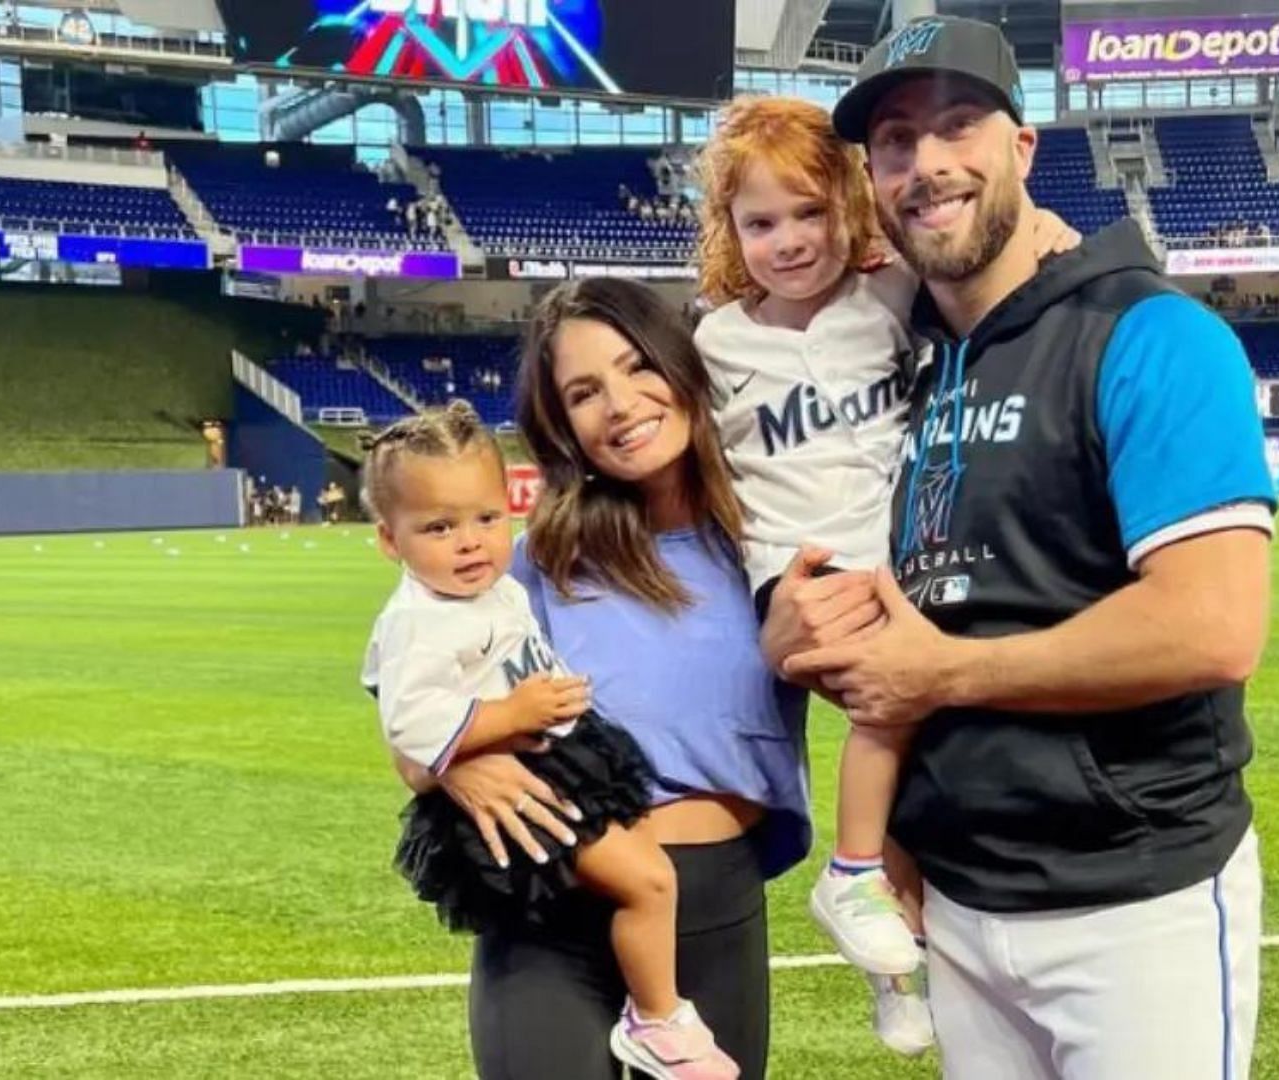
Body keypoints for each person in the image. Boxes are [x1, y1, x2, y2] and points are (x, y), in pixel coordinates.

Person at [767, 16, 1274, 1078]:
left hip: (1137, 900)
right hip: (955, 898)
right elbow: (890, 603)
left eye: (959, 125)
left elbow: (1212, 626)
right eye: (896, 142)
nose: (927, 165)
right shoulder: (904, 363)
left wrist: (942, 675)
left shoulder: (1151, 335)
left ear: (1022, 147)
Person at [690, 94, 1080, 1057]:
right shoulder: (714, 341)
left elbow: (992, 257)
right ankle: (853, 869)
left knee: (919, 741)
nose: (788, 241)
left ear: (850, 207)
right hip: (798, 565)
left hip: (894, 551)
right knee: (890, 707)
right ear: (731, 234)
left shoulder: (889, 297)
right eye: (761, 223)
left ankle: (895, 972)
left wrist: (1053, 229)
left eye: (811, 213)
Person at [400, 278, 810, 1078]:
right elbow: (415, 739)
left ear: (682, 365)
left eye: (636, 367)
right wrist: (467, 766)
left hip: (709, 906)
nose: (619, 404)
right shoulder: (535, 566)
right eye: (584, 392)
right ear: (563, 427)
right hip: (549, 903)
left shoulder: (773, 545)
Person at [360, 405, 738, 1079]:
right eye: (439, 527)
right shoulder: (421, 619)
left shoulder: (493, 590)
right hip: (531, 783)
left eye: (486, 518)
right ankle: (658, 1020)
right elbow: (410, 725)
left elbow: (511, 659)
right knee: (650, 882)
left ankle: (656, 1015)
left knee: (647, 877)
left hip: (561, 758)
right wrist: (510, 716)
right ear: (391, 541)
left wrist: (551, 698)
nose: (471, 542)